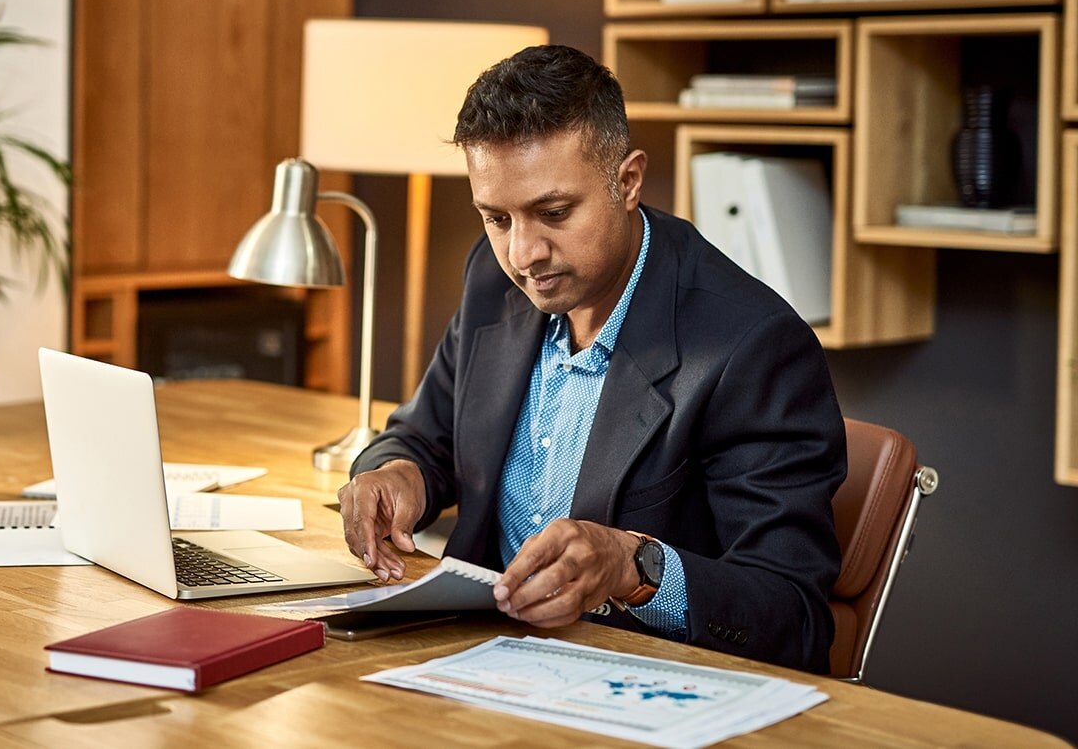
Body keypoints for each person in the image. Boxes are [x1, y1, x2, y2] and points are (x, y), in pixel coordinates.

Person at [336, 45, 846, 673]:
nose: (523, 253)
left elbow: (792, 616)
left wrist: (632, 566)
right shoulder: (493, 278)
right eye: (496, 218)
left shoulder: (752, 345)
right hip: (478, 658)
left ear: (627, 181)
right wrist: (396, 473)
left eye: (553, 213)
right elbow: (424, 436)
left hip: (643, 682)